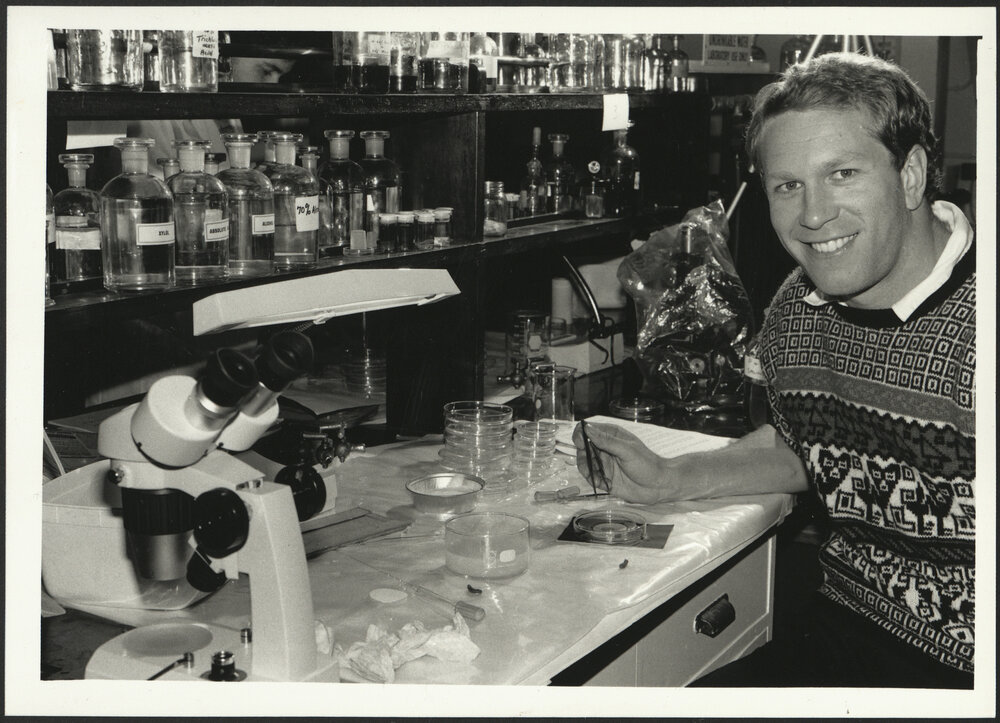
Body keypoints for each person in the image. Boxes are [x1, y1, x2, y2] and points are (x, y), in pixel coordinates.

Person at [575, 52, 975, 688]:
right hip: (843, 631)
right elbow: (805, 443)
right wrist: (673, 478)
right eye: (787, 186)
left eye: (842, 173)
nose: (812, 215)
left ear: (911, 176)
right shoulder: (797, 306)